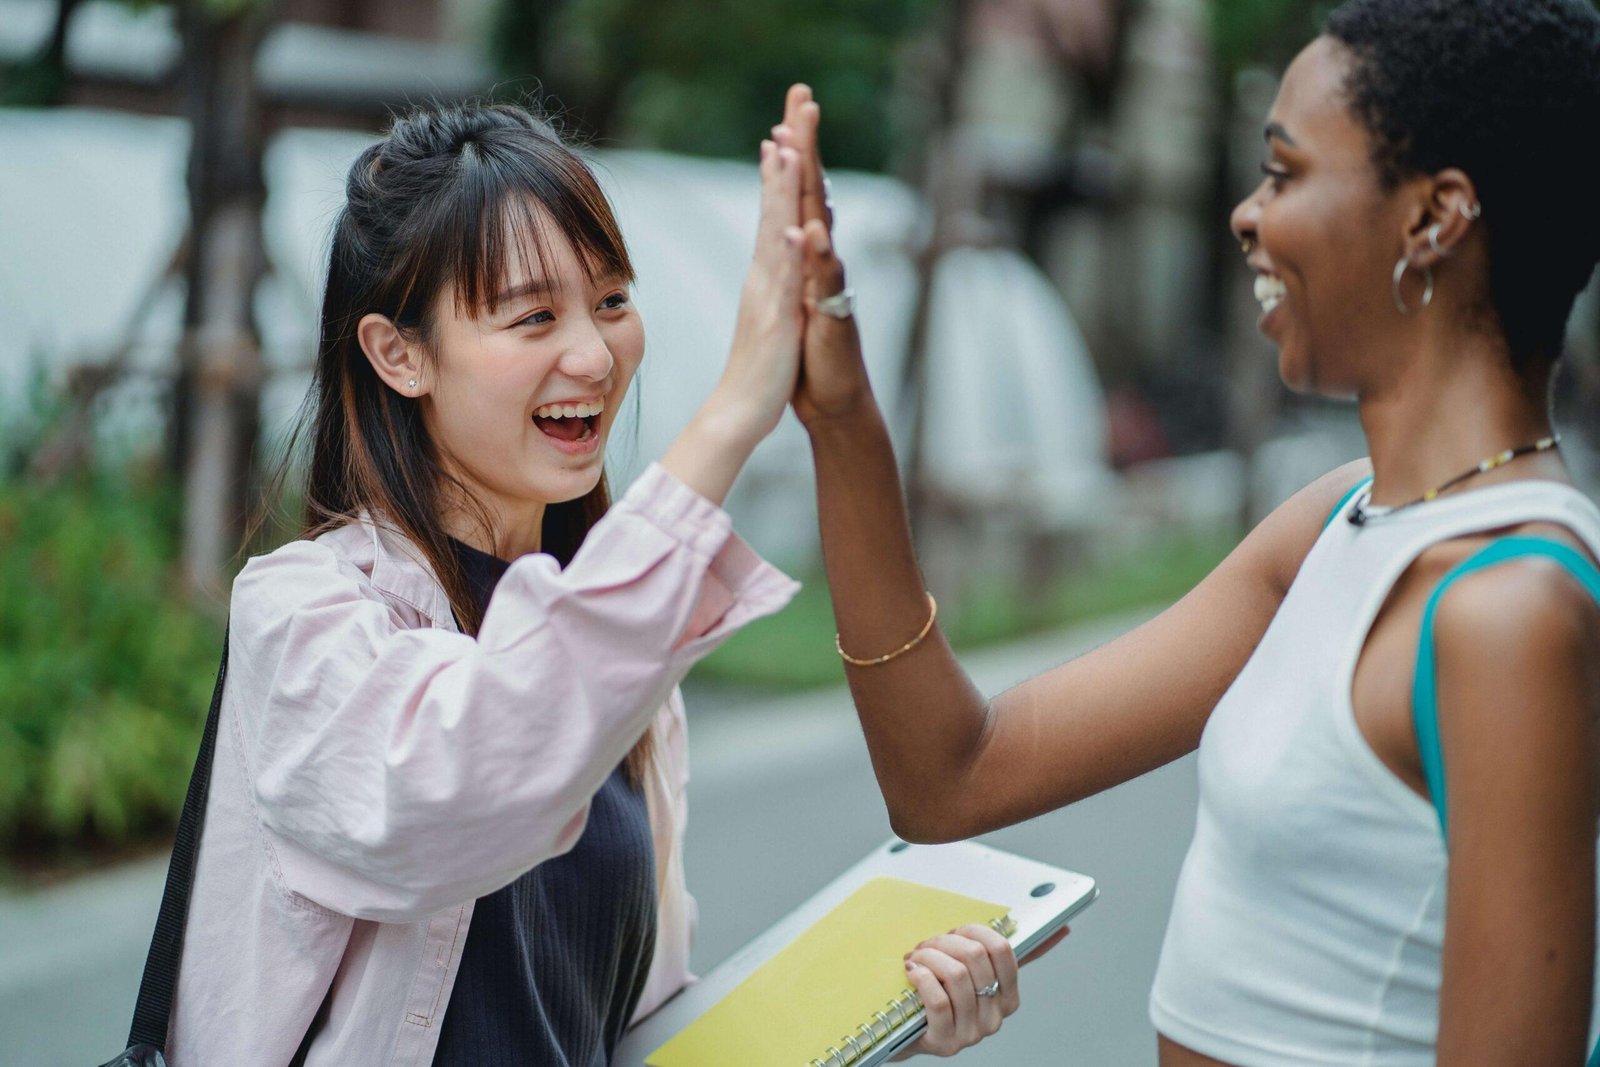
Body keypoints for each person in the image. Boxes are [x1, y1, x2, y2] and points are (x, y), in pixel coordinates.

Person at [778, 0, 1600, 1062]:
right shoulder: (1338, 523)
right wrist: (842, 420)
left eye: (1287, 172)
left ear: (1432, 218)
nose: (1246, 215)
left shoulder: (1508, 609)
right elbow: (952, 774)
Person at [163, 101, 1014, 1064]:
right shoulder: (304, 616)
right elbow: (466, 783)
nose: (594, 355)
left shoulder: (624, 658)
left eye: (611, 301)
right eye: (534, 316)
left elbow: (622, 1034)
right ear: (398, 354)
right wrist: (737, 405)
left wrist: (878, 1004)